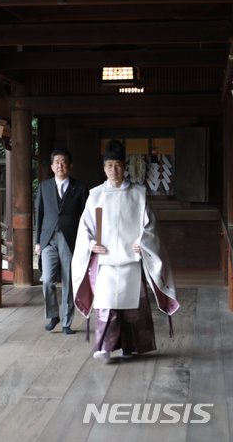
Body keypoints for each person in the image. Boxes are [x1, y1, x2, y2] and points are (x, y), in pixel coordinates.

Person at [71, 139, 180, 363]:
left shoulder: (138, 194)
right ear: (104, 168)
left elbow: (149, 225)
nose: (114, 170)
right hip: (106, 261)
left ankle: (129, 347)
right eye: (110, 165)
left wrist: (144, 243)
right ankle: (103, 347)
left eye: (118, 165)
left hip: (131, 260)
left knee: (133, 309)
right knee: (107, 305)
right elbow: (85, 228)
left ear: (125, 166)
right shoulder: (95, 195)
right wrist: (91, 244)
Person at [35, 148, 88, 334]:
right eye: (57, 162)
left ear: (70, 166)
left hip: (70, 238)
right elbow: (39, 215)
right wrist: (37, 242)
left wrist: (85, 241)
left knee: (68, 280)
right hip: (48, 238)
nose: (60, 165)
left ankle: (66, 322)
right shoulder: (44, 187)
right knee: (47, 280)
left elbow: (85, 217)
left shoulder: (79, 188)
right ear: (51, 166)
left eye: (64, 162)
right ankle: (53, 315)